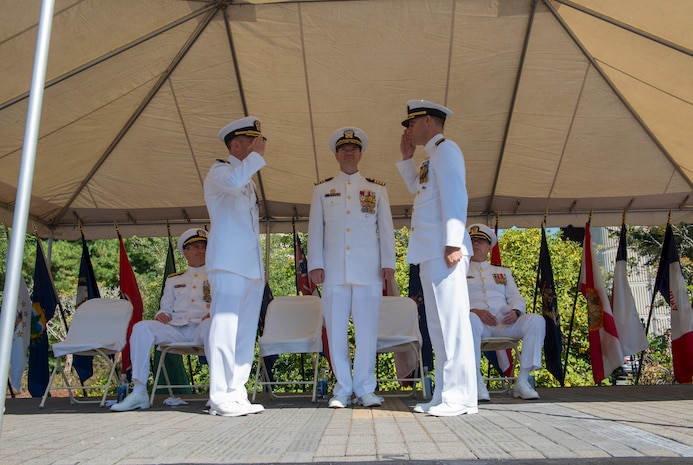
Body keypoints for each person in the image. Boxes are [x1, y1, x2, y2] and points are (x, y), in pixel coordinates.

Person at [396, 100, 477, 417]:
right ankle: (446, 394)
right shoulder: (430, 158)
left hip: (445, 250)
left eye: (412, 123)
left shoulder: (447, 151)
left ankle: (458, 397)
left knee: (452, 324)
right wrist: (406, 160)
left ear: (427, 120)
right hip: (431, 250)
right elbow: (421, 191)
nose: (409, 129)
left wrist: (454, 241)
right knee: (439, 327)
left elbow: (457, 195)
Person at [308, 127, 396, 409]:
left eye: (354, 149)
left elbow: (386, 230)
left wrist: (388, 263)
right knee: (335, 332)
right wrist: (316, 265)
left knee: (367, 332)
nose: (349, 152)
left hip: (368, 271)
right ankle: (343, 388)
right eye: (344, 149)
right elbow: (315, 231)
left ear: (360, 154)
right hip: (333, 271)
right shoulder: (322, 190)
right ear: (336, 155)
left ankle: (365, 388)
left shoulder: (376, 189)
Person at [203, 116, 267, 417]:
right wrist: (255, 158)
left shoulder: (246, 176)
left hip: (250, 267)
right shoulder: (220, 171)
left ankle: (236, 391)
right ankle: (218, 395)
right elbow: (232, 182)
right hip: (228, 264)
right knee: (224, 327)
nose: (258, 146)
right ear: (237, 144)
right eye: (252, 141)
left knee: (244, 332)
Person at [111, 228, 212, 411]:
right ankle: (140, 391)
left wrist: (215, 312)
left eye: (204, 247)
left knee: (214, 323)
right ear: (185, 252)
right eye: (196, 247)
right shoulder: (174, 279)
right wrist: (161, 315)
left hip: (203, 328)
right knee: (142, 327)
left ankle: (218, 393)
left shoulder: (217, 276)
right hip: (178, 330)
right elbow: (166, 308)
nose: (201, 250)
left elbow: (225, 303)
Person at [466, 223, 545, 401]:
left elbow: (515, 297)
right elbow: (454, 302)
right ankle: (476, 381)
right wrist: (475, 311)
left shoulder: (501, 272)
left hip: (503, 324)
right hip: (478, 325)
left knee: (536, 320)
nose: (476, 244)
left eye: (480, 241)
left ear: (489, 246)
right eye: (472, 241)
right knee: (469, 319)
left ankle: (522, 381)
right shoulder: (459, 271)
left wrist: (516, 312)